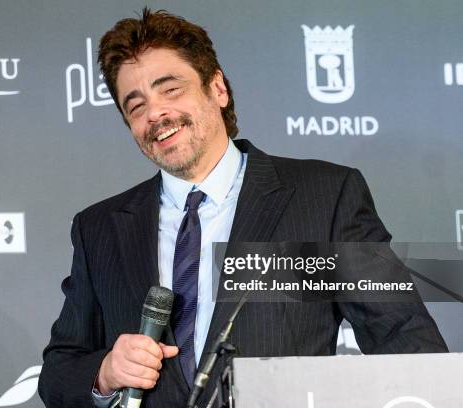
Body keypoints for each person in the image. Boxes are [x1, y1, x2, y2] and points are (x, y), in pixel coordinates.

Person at [38, 8, 447, 408]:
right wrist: (107, 371)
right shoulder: (100, 229)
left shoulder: (324, 198)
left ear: (217, 88)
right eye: (136, 105)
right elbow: (58, 372)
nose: (156, 113)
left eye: (171, 89)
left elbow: (403, 336)